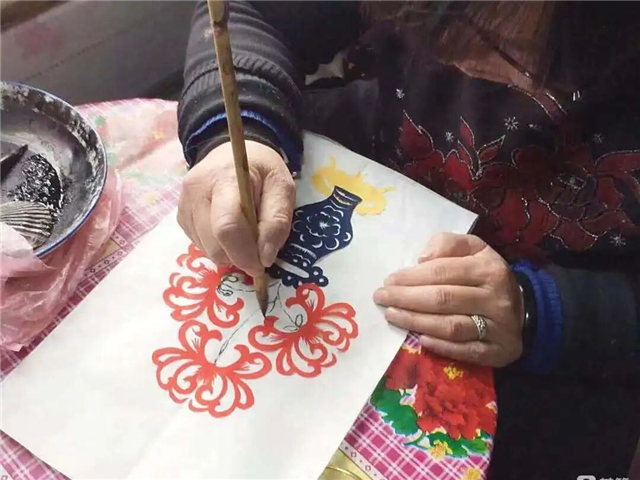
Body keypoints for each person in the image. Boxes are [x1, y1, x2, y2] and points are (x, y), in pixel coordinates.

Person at [177, 2, 640, 478]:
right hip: (371, 182)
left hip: (561, 330)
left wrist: (540, 309)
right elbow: (249, 12)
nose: (454, 57)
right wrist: (241, 134)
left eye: (505, 43)